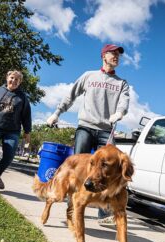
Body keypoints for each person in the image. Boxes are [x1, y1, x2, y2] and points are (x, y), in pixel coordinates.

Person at [46, 44, 130, 225]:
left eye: (118, 54)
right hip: (85, 126)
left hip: (106, 131)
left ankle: (104, 214)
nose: (116, 56)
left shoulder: (122, 83)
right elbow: (71, 95)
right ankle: (72, 209)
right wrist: (57, 112)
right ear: (104, 56)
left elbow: (124, 102)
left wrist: (120, 113)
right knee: (78, 168)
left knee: (107, 170)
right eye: (112, 53)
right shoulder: (89, 76)